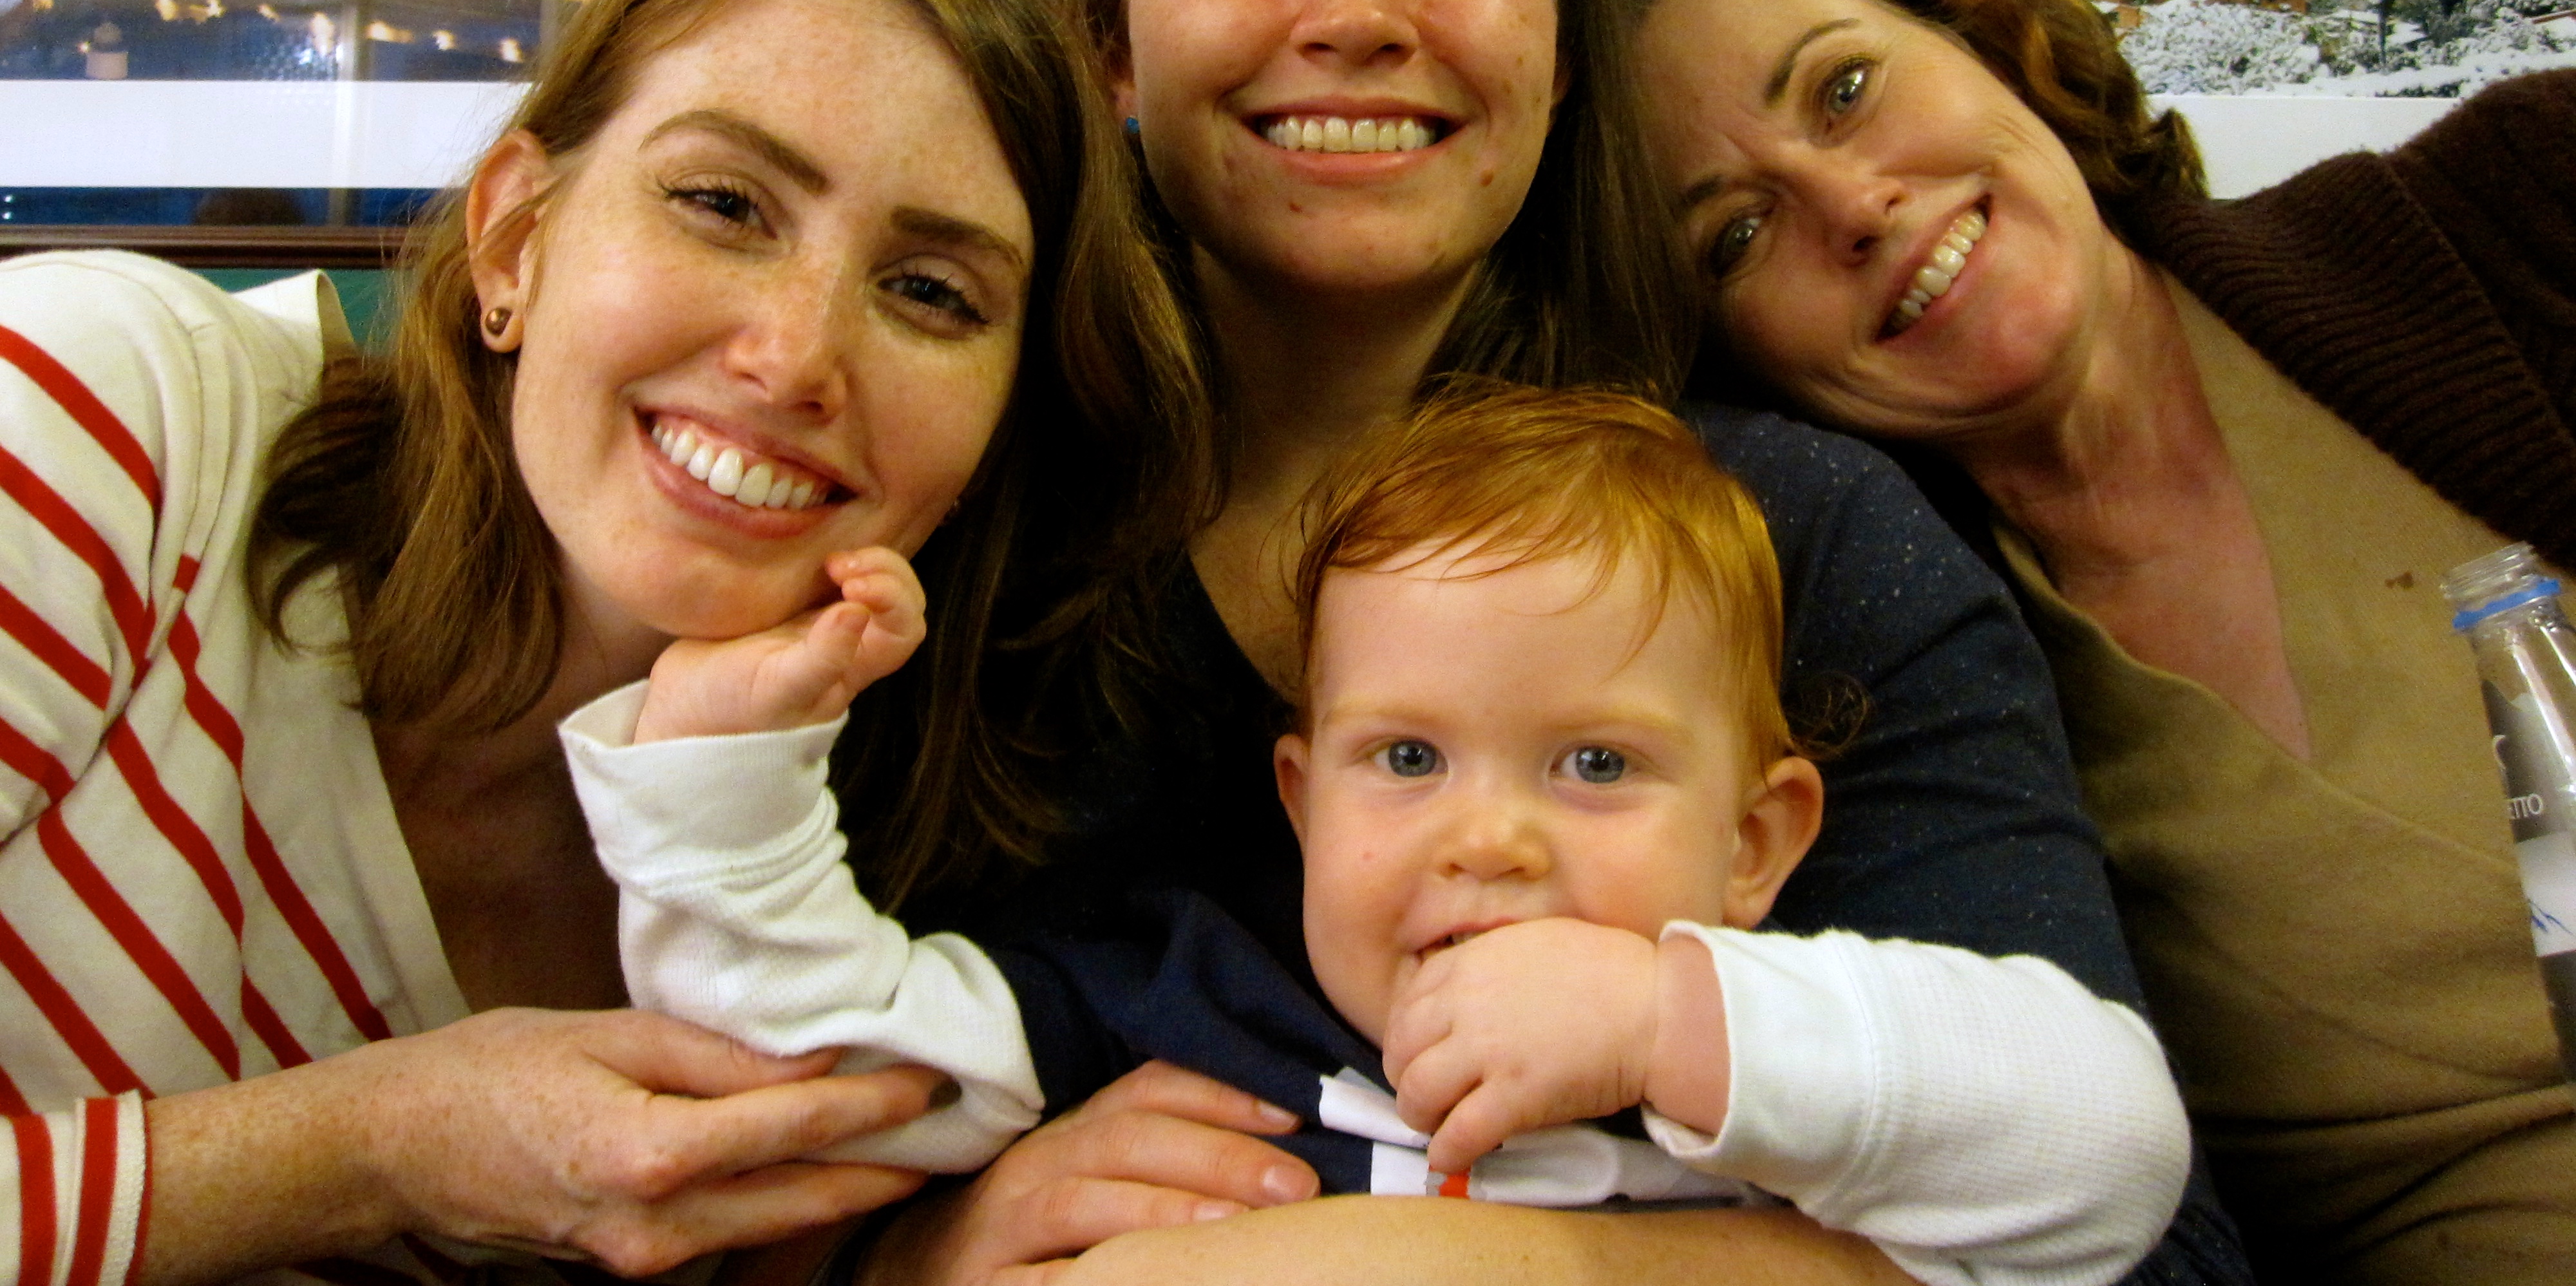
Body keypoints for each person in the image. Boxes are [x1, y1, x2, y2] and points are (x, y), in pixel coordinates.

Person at [845, 0, 2250, 1286]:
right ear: (1109, 42)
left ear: (1566, 44)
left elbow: (2148, 1253)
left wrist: (1475, 1269)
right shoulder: (952, 535)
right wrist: (909, 1258)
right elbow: (714, 1131)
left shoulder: (1777, 534)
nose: (1357, 15)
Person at [0, 0, 1205, 1281]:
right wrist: (379, 1143)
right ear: (515, 237)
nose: (796, 357)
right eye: (722, 204)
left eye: (931, 293)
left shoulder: (832, 938)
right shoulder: (114, 418)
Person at [565, 381, 2190, 1284]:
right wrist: (721, 784)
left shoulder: (1798, 1102)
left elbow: (2112, 1162)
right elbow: (798, 1078)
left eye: (1596, 766)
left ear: (1756, 842)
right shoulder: (1175, 1007)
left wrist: (1665, 1022)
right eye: (1404, 757)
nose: (1486, 839)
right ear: (1300, 799)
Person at [1626, 0, 2576, 1284]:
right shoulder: (1888, 715)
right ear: (1730, 363)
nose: (1854, 204)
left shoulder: (2526, 205)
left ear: (1987, 47)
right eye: (1736, 237)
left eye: (1844, 90)